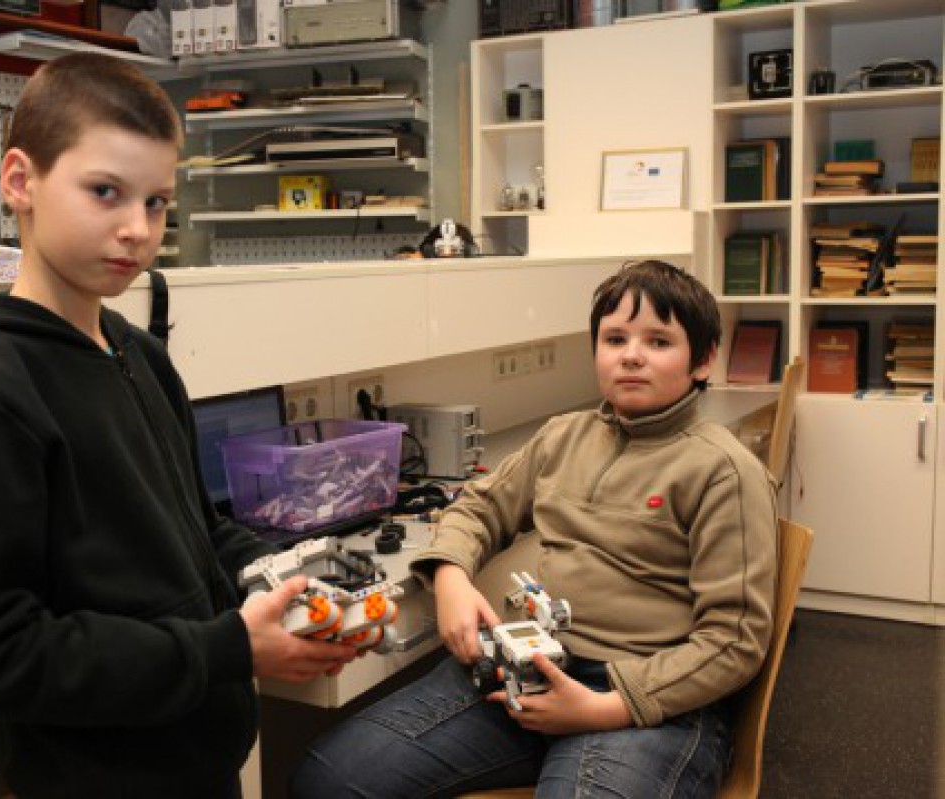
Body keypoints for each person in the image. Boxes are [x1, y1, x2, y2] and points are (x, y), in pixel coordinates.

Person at [0, 53, 356, 798]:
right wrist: (226, 648)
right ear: (20, 182)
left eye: (157, 202)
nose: (138, 229)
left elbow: (196, 533)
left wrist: (293, 575)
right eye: (105, 192)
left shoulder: (138, 353)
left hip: (196, 759)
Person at [291, 260, 779, 799]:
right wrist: (450, 575)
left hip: (647, 698)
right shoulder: (562, 437)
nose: (631, 355)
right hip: (530, 663)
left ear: (703, 359)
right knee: (327, 780)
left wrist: (606, 707)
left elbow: (735, 640)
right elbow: (477, 506)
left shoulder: (724, 471)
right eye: (615, 339)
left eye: (659, 341)